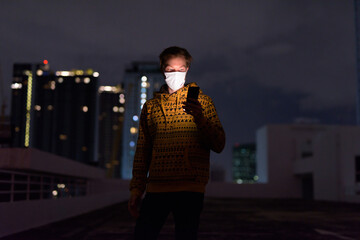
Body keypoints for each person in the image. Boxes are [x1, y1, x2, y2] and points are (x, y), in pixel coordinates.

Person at [128, 46, 225, 240]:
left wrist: (200, 118)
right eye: (171, 69)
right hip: (157, 187)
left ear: (187, 69)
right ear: (163, 69)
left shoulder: (203, 102)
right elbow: (143, 150)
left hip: (190, 187)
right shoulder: (151, 107)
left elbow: (219, 143)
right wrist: (137, 188)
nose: (175, 74)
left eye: (180, 69)